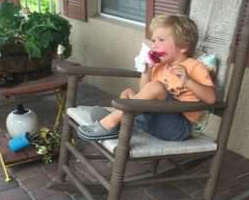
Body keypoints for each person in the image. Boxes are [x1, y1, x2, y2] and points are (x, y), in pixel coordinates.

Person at [76, 14, 216, 142]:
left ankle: (110, 122)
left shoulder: (194, 66)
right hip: (155, 120)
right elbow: (145, 92)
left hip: (177, 127)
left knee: (156, 87)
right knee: (129, 93)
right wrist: (147, 70)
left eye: (161, 40)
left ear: (183, 46)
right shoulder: (160, 66)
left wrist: (188, 80)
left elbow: (211, 99)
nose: (154, 45)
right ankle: (120, 123)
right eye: (154, 40)